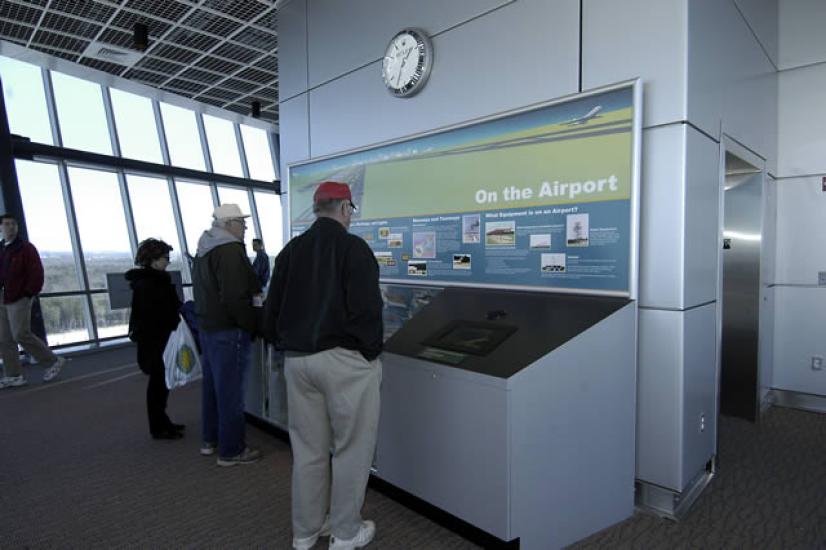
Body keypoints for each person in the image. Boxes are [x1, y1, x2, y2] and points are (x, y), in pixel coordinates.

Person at [264, 182, 383, 550]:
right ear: (346, 208)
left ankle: (305, 532)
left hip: (298, 362)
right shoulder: (353, 248)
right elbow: (367, 310)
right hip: (343, 362)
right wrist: (369, 352)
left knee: (308, 451)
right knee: (352, 448)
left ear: (317, 209)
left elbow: (271, 313)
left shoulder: (291, 251)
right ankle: (346, 533)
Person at [192, 204, 263, 467]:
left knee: (213, 387)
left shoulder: (204, 248)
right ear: (230, 224)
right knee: (231, 392)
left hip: (208, 327)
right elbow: (234, 296)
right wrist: (250, 324)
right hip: (228, 330)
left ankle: (210, 440)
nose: (245, 228)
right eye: (242, 223)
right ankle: (232, 450)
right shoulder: (230, 249)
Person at [126, 238, 185, 440]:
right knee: (158, 383)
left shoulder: (146, 282)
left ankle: (160, 421)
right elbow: (158, 313)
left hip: (155, 339)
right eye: (165, 258)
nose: (168, 261)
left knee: (159, 383)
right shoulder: (152, 284)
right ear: (154, 260)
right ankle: (158, 425)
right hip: (157, 340)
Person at [0, 214, 66, 388]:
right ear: (1, 228)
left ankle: (52, 361)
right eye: (6, 224)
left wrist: (28, 293)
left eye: (13, 224)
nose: (11, 227)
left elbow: (36, 273)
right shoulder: (1, 249)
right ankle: (13, 375)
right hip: (3, 298)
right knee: (4, 338)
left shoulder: (26, 248)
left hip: (19, 297)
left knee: (20, 333)